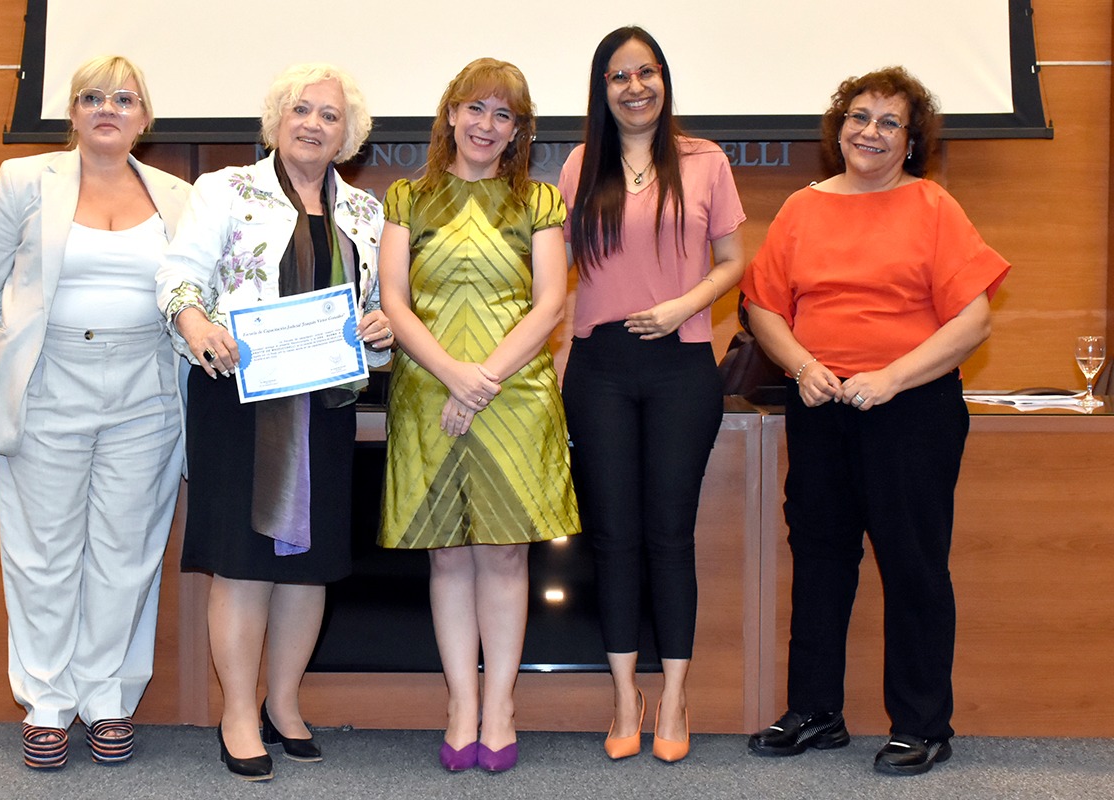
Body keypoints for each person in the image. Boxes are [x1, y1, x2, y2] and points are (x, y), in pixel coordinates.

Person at [741, 66, 1010, 776]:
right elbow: (763, 306)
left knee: (913, 564)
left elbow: (974, 320)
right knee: (820, 560)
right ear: (840, 128)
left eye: (890, 122)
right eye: (860, 117)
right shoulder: (801, 208)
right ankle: (815, 711)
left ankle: (922, 724)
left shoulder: (933, 206)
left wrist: (891, 377)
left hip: (911, 410)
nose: (871, 131)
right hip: (822, 406)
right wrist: (802, 366)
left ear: (911, 141)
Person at [154, 63, 393, 782]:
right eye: (301, 110)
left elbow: (373, 307)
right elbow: (178, 275)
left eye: (329, 115)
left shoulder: (366, 212)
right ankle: (236, 713)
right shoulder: (226, 189)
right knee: (242, 561)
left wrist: (379, 329)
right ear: (276, 121)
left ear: (348, 135)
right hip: (239, 400)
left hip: (324, 407)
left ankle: (284, 704)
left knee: (309, 566)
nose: (313, 124)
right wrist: (197, 325)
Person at [0, 55, 188, 769]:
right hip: (49, 384)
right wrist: (18, 356)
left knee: (127, 551)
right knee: (43, 552)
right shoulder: (24, 181)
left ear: (144, 118)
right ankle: (47, 703)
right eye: (92, 97)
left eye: (123, 98)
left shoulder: (179, 197)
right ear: (72, 111)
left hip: (147, 391)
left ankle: (108, 698)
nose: (107, 109)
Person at [377, 57, 579, 774]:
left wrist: (482, 379)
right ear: (450, 114)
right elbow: (394, 301)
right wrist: (455, 377)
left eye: (504, 115)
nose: (487, 125)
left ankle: (500, 707)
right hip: (430, 390)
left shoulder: (540, 201)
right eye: (475, 109)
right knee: (446, 553)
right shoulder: (407, 198)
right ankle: (461, 704)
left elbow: (550, 304)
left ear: (518, 130)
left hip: (512, 395)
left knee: (504, 553)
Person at [555, 26, 747, 764]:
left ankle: (673, 696)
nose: (635, 87)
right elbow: (553, 270)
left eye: (647, 72)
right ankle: (623, 696)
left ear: (664, 80)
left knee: (670, 534)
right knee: (612, 536)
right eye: (618, 76)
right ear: (601, 89)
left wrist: (679, 307)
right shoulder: (581, 165)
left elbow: (732, 260)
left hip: (681, 363)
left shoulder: (706, 162)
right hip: (599, 367)